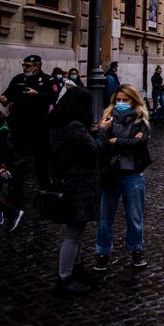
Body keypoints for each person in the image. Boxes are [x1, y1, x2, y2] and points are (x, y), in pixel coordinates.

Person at [49, 87, 109, 294]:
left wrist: (90, 132)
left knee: (77, 232)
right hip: (77, 185)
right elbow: (94, 148)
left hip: (70, 182)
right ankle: (64, 278)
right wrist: (102, 130)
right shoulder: (74, 127)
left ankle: (77, 269)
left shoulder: (61, 124)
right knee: (73, 234)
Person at [94, 85, 152, 271]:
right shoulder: (107, 118)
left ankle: (136, 249)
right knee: (105, 217)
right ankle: (102, 252)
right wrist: (128, 141)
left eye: (125, 100)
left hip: (132, 172)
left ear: (133, 101)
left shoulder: (140, 118)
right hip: (111, 172)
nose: (120, 103)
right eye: (118, 100)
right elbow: (102, 143)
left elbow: (141, 142)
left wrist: (117, 141)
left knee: (135, 216)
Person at [0, 54, 57, 191]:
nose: (25, 68)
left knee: (41, 160)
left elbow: (53, 97)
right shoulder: (19, 79)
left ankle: (44, 188)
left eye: (28, 65)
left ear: (37, 66)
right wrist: (4, 99)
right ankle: (16, 188)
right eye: (23, 65)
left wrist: (37, 95)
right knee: (18, 158)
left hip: (39, 127)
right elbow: (8, 94)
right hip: (20, 126)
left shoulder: (48, 80)